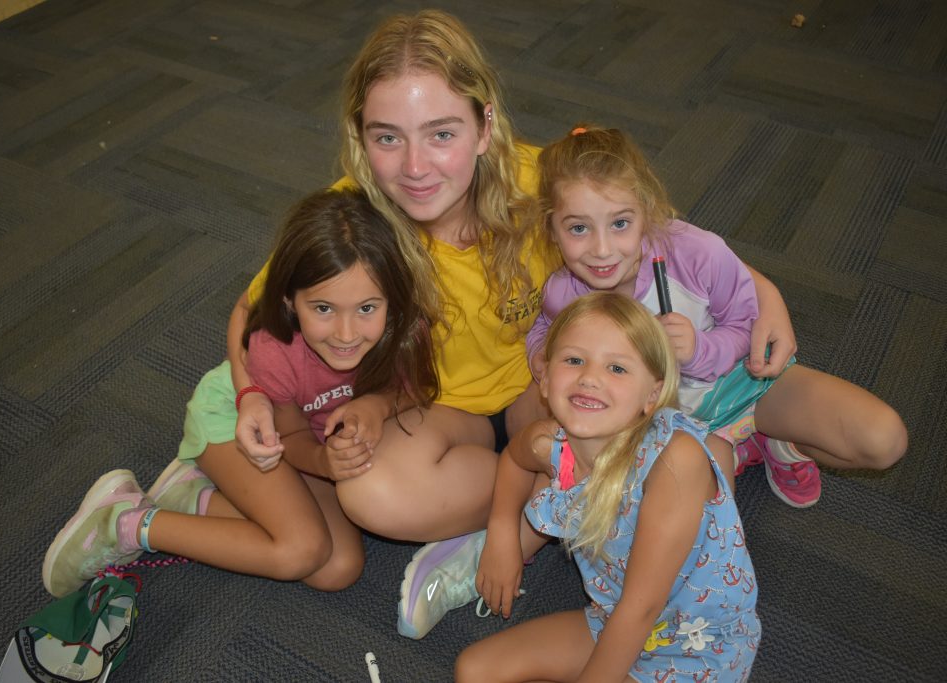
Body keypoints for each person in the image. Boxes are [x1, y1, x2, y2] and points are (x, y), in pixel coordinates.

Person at [228, 11, 798, 638]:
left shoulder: (540, 181)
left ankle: (502, 530)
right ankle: (531, 514)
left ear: (485, 126)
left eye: (441, 133)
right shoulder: (354, 216)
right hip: (437, 408)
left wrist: (765, 292)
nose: (415, 167)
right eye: (387, 137)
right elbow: (251, 308)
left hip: (543, 385)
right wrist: (250, 392)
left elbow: (655, 236)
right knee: (369, 495)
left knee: (620, 445)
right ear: (360, 138)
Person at [41, 188, 437, 598]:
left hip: (304, 436)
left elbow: (420, 388)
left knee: (338, 568)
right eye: (323, 309)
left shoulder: (405, 329)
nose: (347, 333)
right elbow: (291, 437)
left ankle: (195, 497)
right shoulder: (275, 348)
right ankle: (124, 524)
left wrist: (376, 404)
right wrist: (324, 462)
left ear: (392, 299)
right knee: (300, 551)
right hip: (239, 425)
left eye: (367, 308)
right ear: (289, 301)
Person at [525, 124, 907, 509]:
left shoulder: (697, 253)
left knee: (883, 439)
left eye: (620, 223)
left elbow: (746, 323)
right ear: (552, 230)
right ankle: (737, 450)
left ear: (647, 211)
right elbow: (544, 328)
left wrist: (699, 350)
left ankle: (780, 445)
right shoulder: (564, 292)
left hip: (744, 385)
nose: (602, 249)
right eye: (578, 228)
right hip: (665, 426)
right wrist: (541, 359)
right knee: (690, 518)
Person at [456, 291, 761, 682]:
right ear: (545, 379)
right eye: (574, 360)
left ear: (652, 395)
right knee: (474, 671)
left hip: (698, 642)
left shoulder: (673, 462)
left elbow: (642, 607)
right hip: (614, 614)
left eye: (616, 368)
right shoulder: (549, 443)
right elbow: (514, 461)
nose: (590, 377)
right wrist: (502, 535)